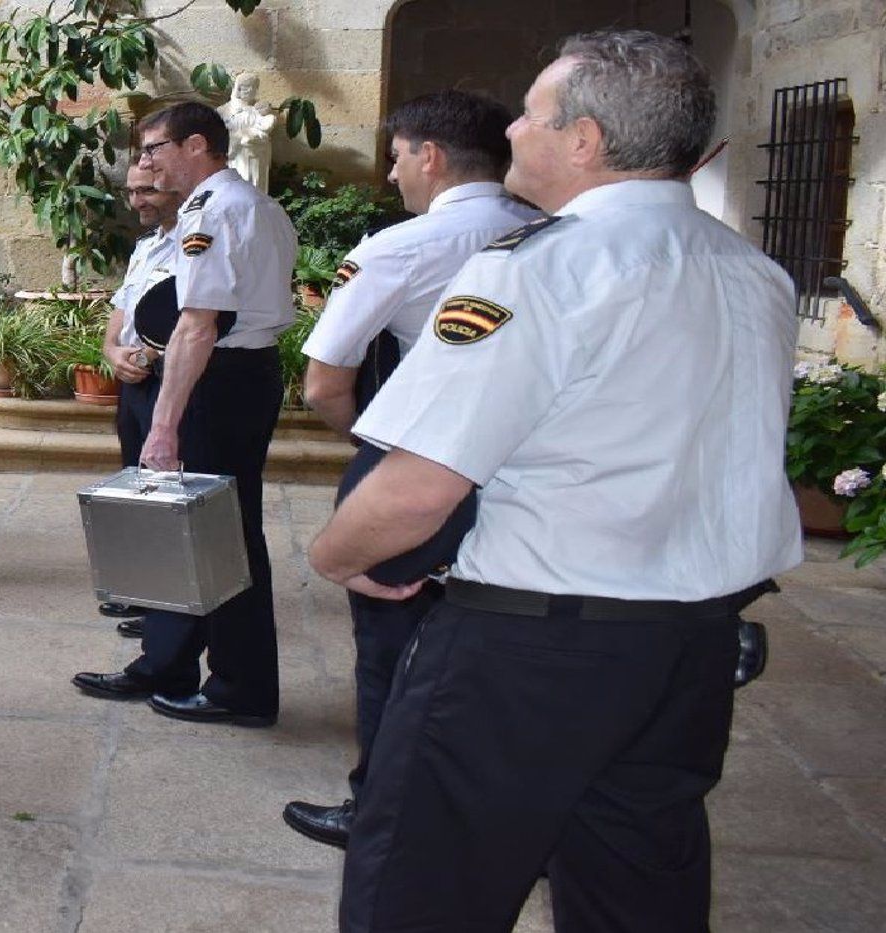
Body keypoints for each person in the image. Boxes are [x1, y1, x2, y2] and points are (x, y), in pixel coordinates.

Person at [311, 32, 800, 932]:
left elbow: (417, 488)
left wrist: (338, 554)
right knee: (634, 884)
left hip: (532, 650)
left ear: (583, 141)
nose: (512, 136)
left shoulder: (539, 269)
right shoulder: (755, 273)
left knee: (420, 885)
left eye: (531, 115)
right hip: (687, 646)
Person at [282, 90, 541, 849]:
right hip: (526, 480)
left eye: (396, 158)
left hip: (418, 469)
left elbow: (325, 381)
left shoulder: (401, 245)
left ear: (429, 156)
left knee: (393, 649)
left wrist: (379, 449)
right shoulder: (548, 233)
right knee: (504, 653)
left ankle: (383, 810)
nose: (393, 176)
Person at [73, 102, 297, 726]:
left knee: (221, 540)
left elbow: (197, 326)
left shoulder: (217, 210)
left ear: (195, 145)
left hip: (216, 380)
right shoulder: (250, 206)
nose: (144, 163)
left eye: (152, 149)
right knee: (196, 534)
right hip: (233, 376)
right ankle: (167, 663)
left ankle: (240, 688)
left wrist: (165, 428)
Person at [97, 164, 187, 632]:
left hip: (168, 380)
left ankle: (168, 605)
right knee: (138, 485)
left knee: (167, 487)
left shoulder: (195, 244)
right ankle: (147, 591)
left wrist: (149, 354)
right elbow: (122, 306)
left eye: (147, 190)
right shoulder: (146, 247)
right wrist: (113, 351)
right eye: (131, 192)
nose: (137, 201)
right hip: (134, 382)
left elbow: (197, 320)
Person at [217, 73, 277, 192]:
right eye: (248, 87)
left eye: (255, 87)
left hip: (256, 158)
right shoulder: (223, 111)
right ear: (238, 88)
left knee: (255, 190)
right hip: (234, 158)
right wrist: (240, 137)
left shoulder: (256, 111)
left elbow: (265, 129)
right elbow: (218, 136)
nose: (252, 90)